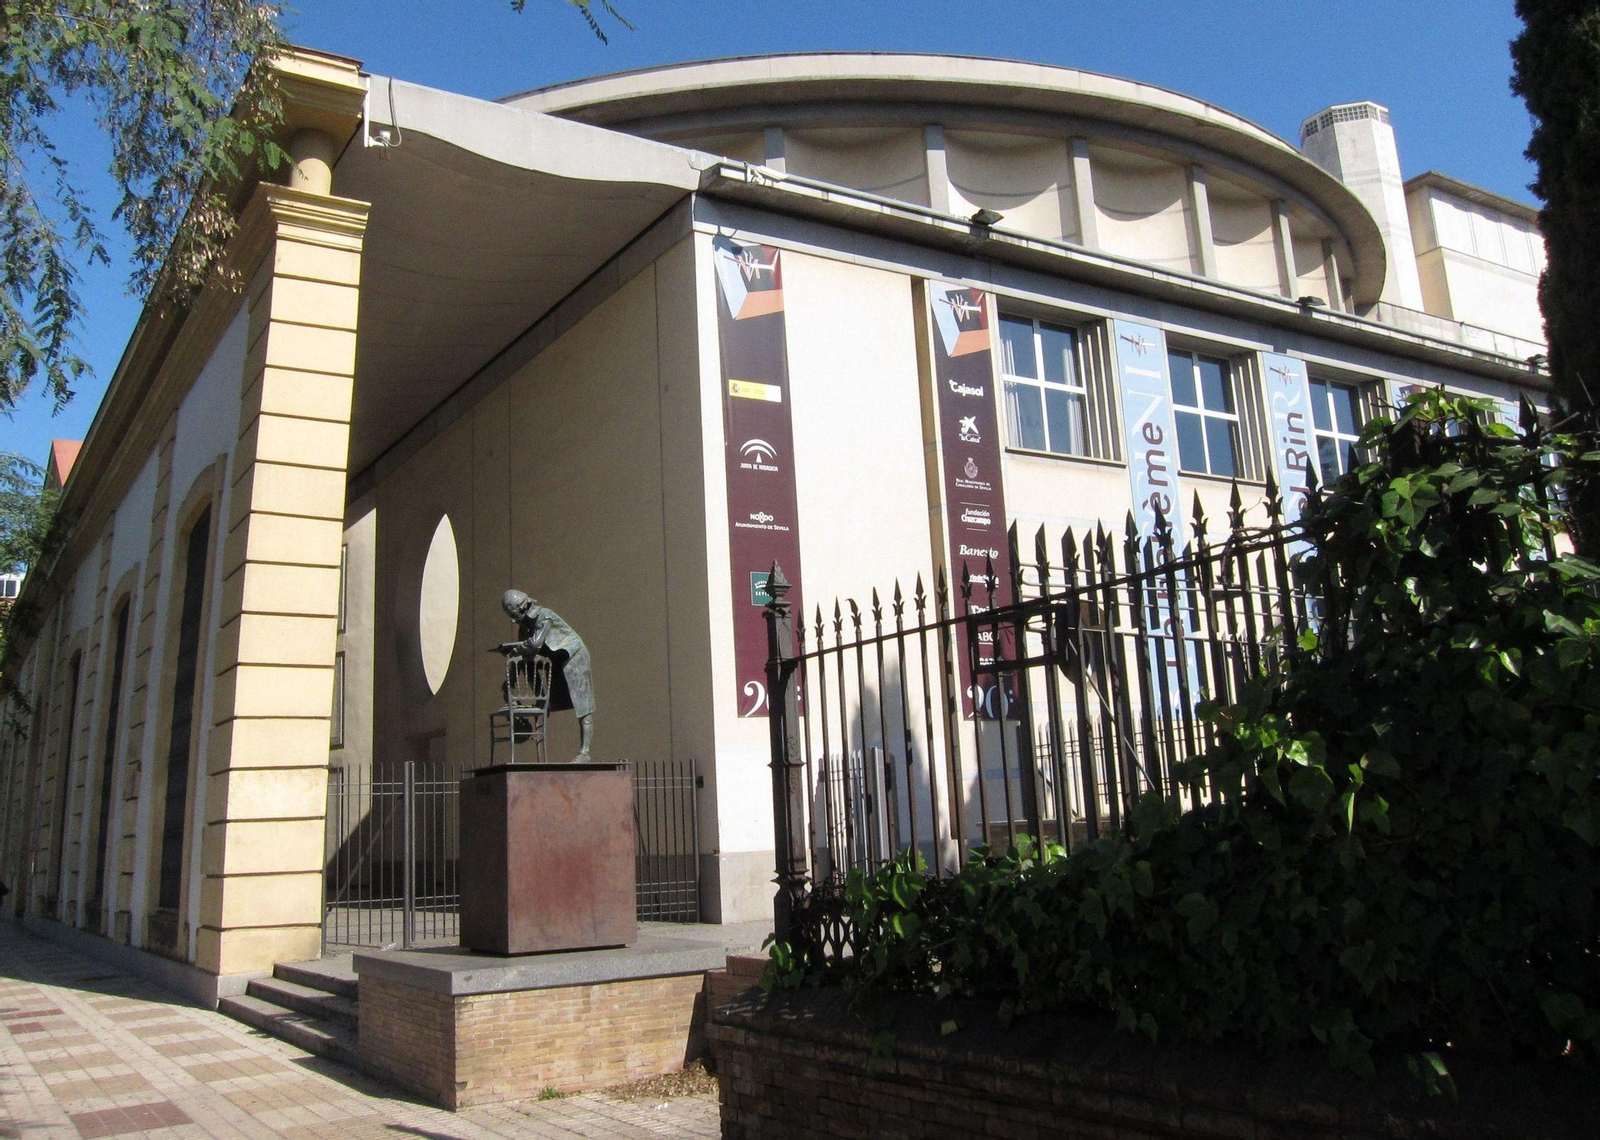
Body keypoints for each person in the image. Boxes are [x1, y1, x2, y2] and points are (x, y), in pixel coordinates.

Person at [497, 590, 595, 762]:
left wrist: (517, 649)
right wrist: (511, 679)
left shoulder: (544, 616)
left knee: (583, 706)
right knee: (523, 662)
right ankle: (538, 699)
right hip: (556, 660)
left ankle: (584, 752)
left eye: (514, 613)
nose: (515, 618)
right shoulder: (524, 627)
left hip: (574, 655)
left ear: (521, 608)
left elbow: (535, 644)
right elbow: (524, 654)